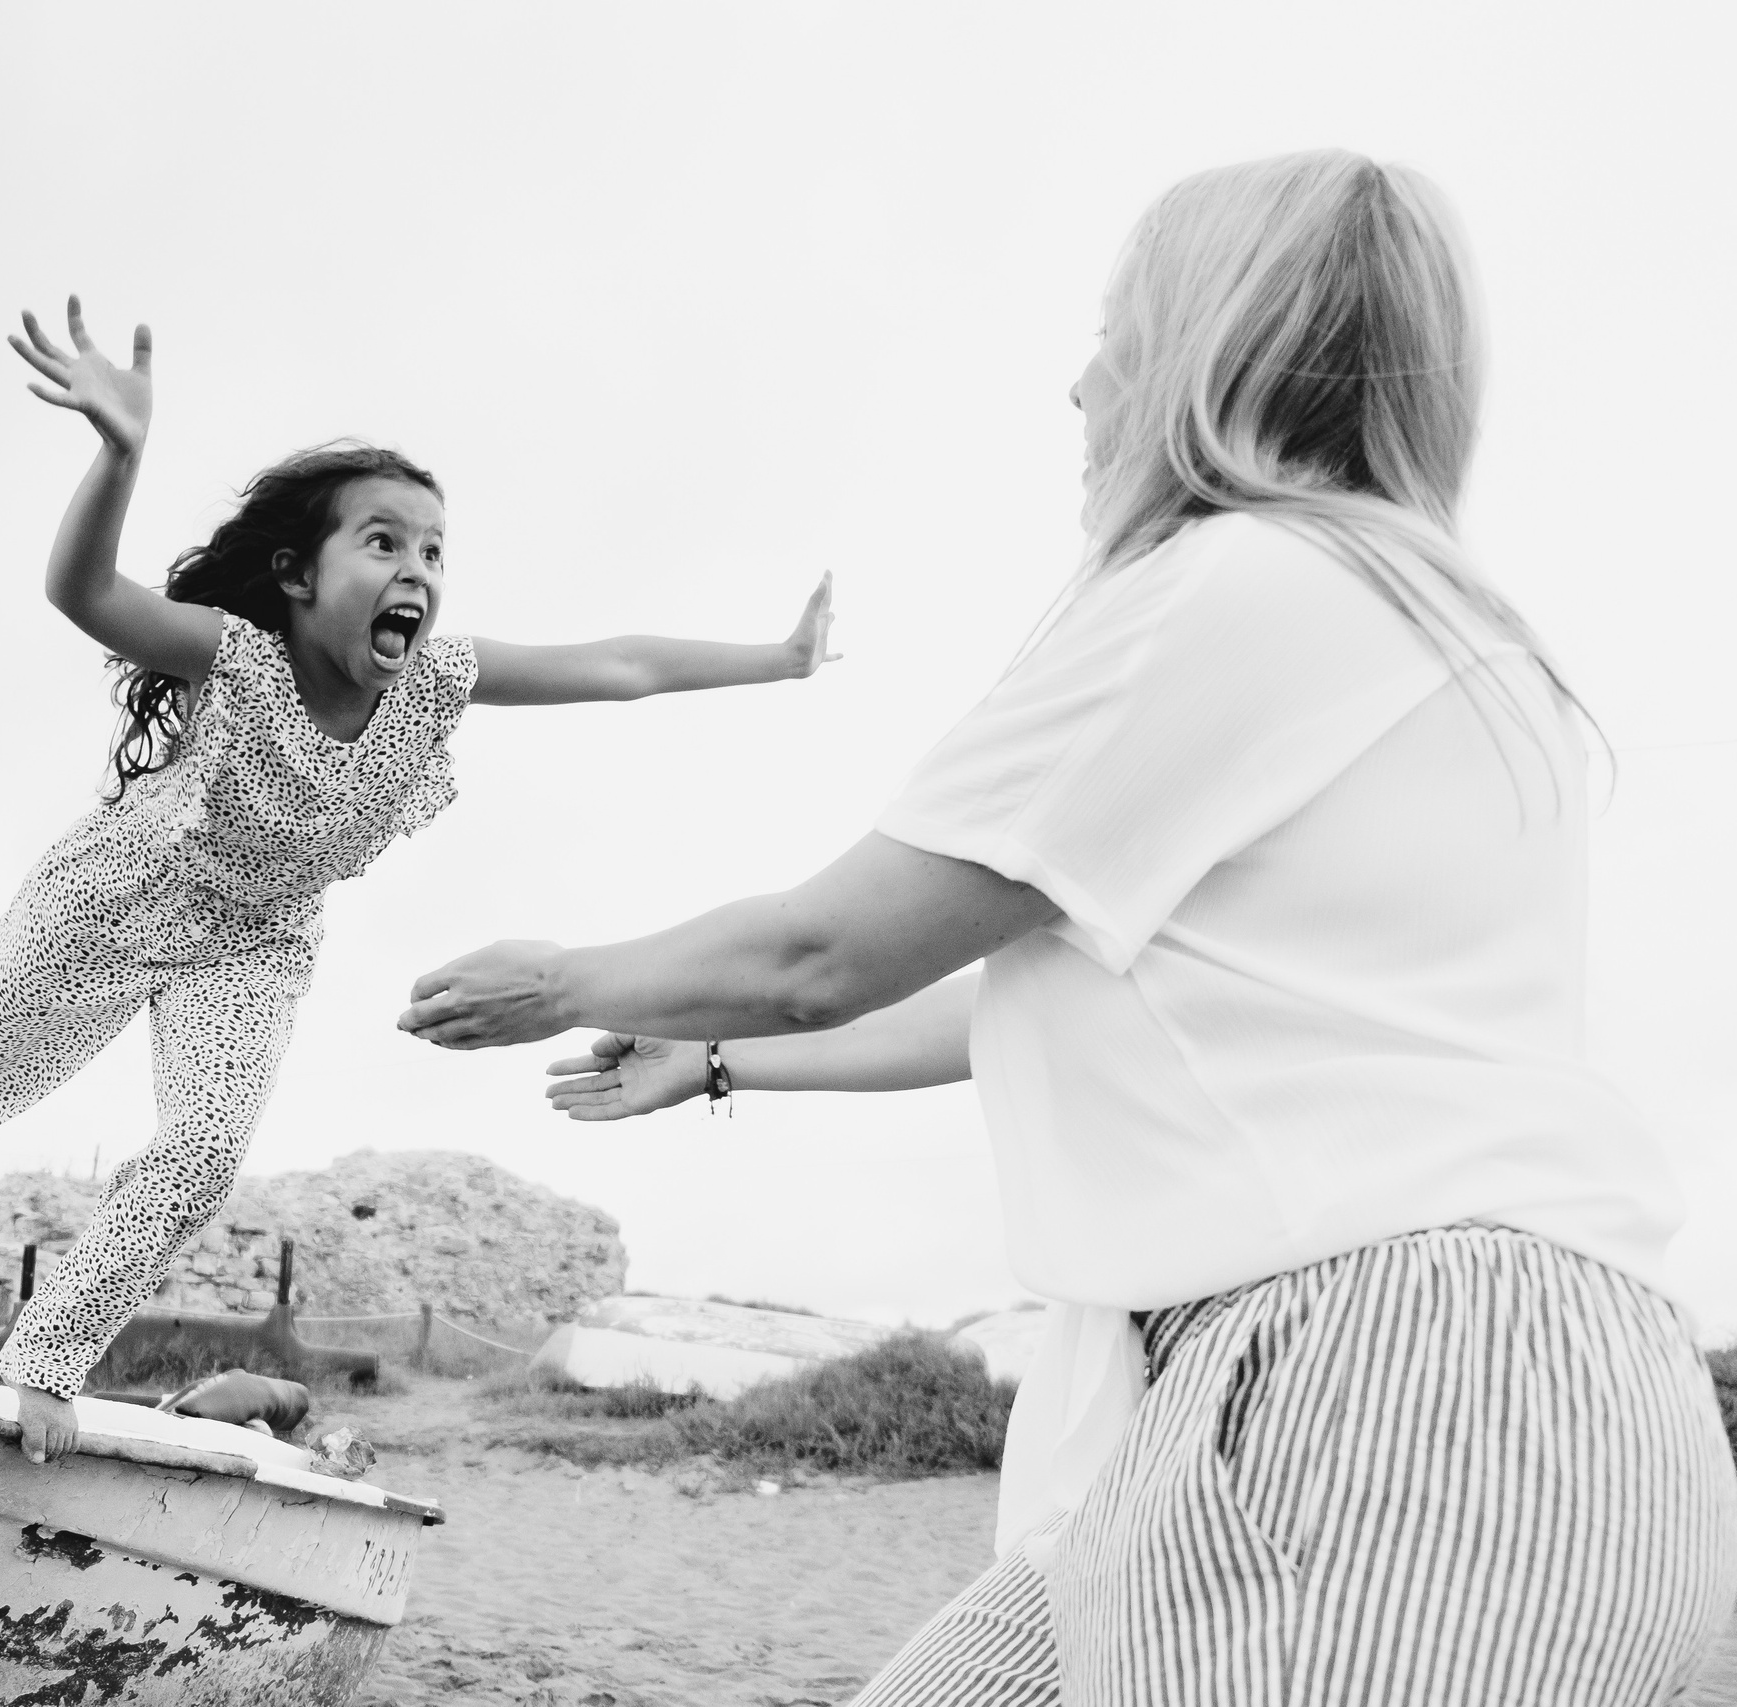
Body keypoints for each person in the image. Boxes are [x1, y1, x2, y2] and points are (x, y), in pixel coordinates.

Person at [398, 152, 1737, 1703]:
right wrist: (714, 1057)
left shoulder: (1248, 582)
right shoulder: (1440, 640)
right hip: (1454, 1395)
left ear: (1207, 347)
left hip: (1386, 1400)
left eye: (1118, 328)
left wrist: (567, 973)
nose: (1081, 382)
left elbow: (824, 952)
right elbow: (1047, 997)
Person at [0, 298, 839, 1465]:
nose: (416, 567)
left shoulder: (434, 682)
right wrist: (120, 454)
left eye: (432, 550)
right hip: (122, 894)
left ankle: (48, 1361)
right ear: (297, 577)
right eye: (382, 541)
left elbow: (619, 665)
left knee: (206, 1149)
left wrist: (780, 659)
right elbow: (84, 595)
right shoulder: (240, 654)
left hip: (255, 939)